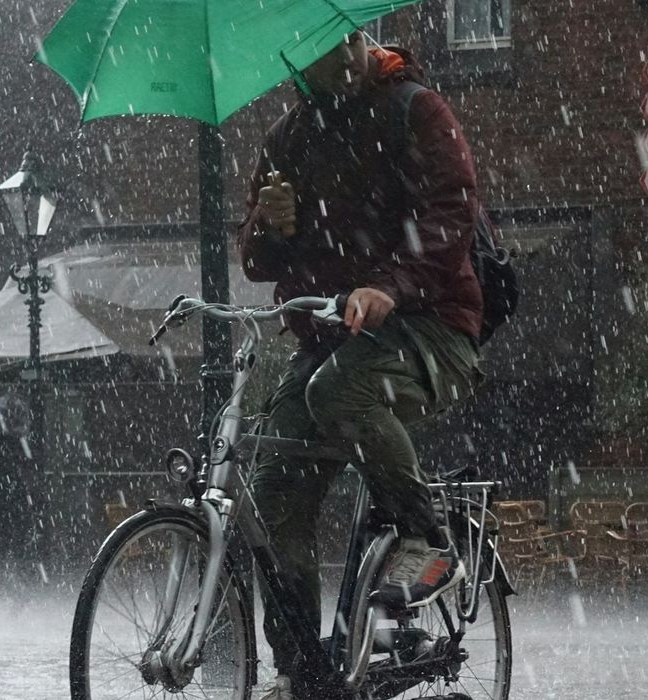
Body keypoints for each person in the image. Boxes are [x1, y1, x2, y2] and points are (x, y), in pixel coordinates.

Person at [235, 30, 484, 698]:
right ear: (295, 57)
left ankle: (425, 540)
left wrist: (390, 288)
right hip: (328, 343)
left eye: (349, 39)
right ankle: (306, 673)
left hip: (430, 329)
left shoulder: (415, 109)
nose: (343, 57)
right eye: (322, 47)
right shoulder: (288, 139)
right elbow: (257, 263)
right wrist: (270, 222)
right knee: (273, 497)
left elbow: (451, 213)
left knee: (337, 394)